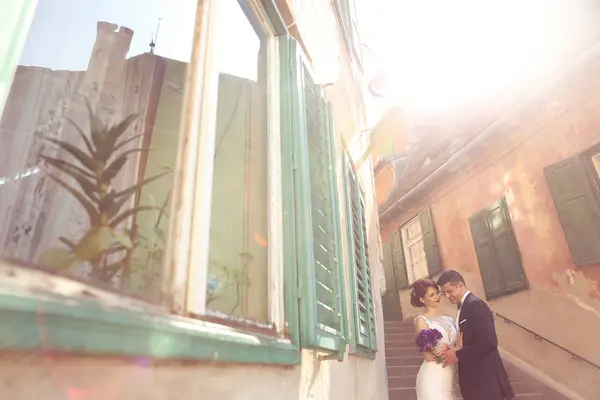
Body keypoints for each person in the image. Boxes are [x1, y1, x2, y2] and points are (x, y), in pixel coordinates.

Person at [437, 270, 515, 400]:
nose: (447, 295)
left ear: (460, 285)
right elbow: (472, 341)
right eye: (444, 293)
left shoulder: (475, 304)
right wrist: (457, 349)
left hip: (486, 382)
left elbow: (489, 342)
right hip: (476, 382)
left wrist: (457, 354)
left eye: (450, 291)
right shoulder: (463, 307)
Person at [411, 278, 459, 400]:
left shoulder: (450, 320)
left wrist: (455, 351)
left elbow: (458, 345)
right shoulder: (421, 320)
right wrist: (440, 352)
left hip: (449, 375)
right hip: (432, 376)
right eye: (431, 295)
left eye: (437, 293)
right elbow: (427, 353)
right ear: (422, 299)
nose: (437, 297)